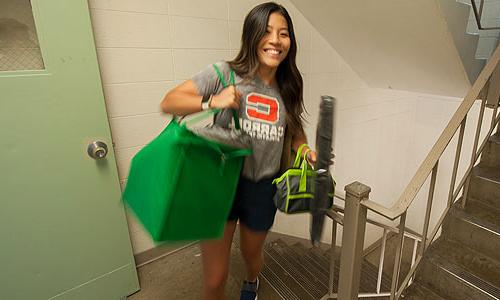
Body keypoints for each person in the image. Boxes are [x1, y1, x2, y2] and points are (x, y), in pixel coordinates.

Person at [161, 2, 316, 299]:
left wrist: (304, 148)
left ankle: (251, 280)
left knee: (251, 255)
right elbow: (170, 102)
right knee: (215, 278)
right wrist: (211, 102)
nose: (275, 40)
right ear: (252, 34)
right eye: (267, 31)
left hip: (263, 188)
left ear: (290, 42)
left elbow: (294, 130)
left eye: (284, 33)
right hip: (220, 183)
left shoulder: (290, 85)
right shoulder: (224, 73)